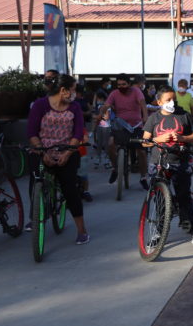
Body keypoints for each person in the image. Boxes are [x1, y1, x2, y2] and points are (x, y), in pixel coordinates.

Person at [27, 74, 90, 244]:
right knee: (35, 180)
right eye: (73, 89)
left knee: (69, 188)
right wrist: (43, 153)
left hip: (67, 152)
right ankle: (35, 214)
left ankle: (82, 230)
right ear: (63, 90)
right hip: (42, 151)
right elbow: (32, 132)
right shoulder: (40, 105)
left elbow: (78, 133)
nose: (74, 93)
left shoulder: (74, 107)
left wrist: (67, 153)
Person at [142, 86, 193, 247]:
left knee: (184, 197)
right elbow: (145, 141)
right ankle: (159, 231)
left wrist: (182, 137)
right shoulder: (153, 118)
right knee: (160, 199)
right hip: (158, 162)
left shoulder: (184, 115)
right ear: (159, 102)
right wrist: (159, 139)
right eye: (167, 100)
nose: (171, 102)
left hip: (179, 161)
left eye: (173, 99)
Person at [97, 73, 149, 189]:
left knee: (141, 152)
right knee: (110, 145)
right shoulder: (114, 93)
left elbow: (143, 105)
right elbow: (106, 105)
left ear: (129, 84)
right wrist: (101, 113)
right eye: (119, 84)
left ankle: (143, 177)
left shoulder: (136, 91)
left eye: (124, 84)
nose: (121, 86)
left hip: (136, 126)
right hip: (120, 126)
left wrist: (145, 117)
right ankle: (115, 168)